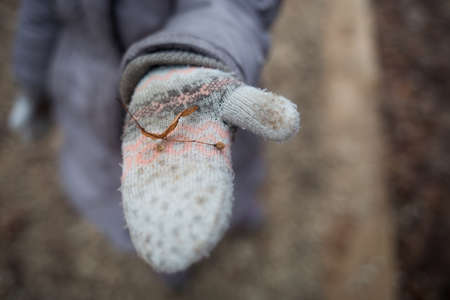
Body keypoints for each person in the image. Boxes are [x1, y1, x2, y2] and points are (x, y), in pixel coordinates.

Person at [9, 0, 299, 281]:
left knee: (220, 178)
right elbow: (38, 16)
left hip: (192, 76)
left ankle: (240, 215)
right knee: (138, 205)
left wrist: (189, 56)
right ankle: (171, 262)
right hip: (86, 106)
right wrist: (32, 83)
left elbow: (236, 5)